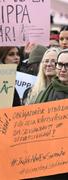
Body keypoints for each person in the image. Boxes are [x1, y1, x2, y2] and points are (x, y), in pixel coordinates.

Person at [31, 49, 68, 180]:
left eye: (67, 65)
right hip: (47, 162)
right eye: (60, 64)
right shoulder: (44, 93)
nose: (63, 69)